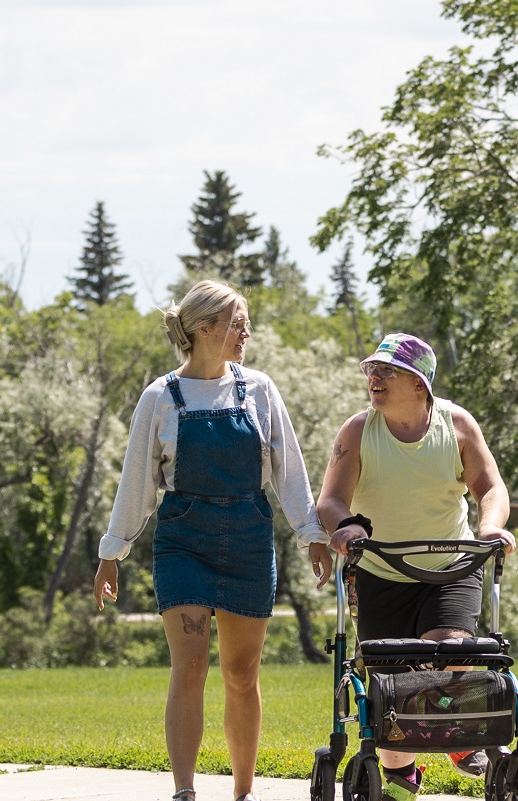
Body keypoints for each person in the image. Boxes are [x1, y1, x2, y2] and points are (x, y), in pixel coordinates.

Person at [93, 280, 323, 801]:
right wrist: (113, 553)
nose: (247, 332)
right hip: (184, 541)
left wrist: (310, 532)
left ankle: (243, 791)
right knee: (191, 663)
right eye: (238, 323)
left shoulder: (258, 389)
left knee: (241, 674)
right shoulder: (160, 397)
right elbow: (137, 482)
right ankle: (185, 791)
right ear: (203, 329)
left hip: (247, 537)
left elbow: (289, 469)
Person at [309, 333, 514, 801]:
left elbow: (491, 488)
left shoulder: (457, 425)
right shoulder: (358, 431)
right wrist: (344, 527)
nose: (373, 378)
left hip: (451, 566)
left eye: (388, 371)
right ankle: (402, 776)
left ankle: (459, 738)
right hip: (381, 570)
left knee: (453, 651)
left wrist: (491, 527)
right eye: (371, 370)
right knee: (391, 682)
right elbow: (331, 500)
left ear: (420, 384)